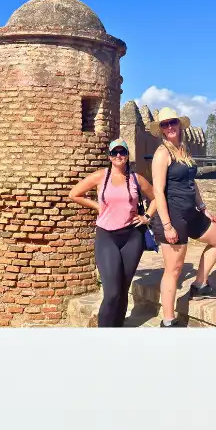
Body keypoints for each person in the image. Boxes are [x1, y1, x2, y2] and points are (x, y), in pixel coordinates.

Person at [146, 106, 216, 328]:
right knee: (173, 270)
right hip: (172, 217)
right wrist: (167, 225)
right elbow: (158, 192)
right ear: (161, 130)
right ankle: (168, 321)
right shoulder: (162, 154)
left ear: (179, 125)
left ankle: (199, 285)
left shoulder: (184, 149)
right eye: (165, 124)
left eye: (173, 122)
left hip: (191, 213)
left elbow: (192, 183)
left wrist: (203, 208)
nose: (170, 127)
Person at [68, 138, 157, 327]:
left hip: (132, 237)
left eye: (122, 152)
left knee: (123, 288)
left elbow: (156, 198)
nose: (119, 156)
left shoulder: (136, 179)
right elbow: (74, 193)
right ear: (109, 156)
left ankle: (117, 329)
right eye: (115, 152)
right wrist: (96, 206)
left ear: (127, 155)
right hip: (107, 236)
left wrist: (147, 216)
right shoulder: (101, 176)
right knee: (112, 292)